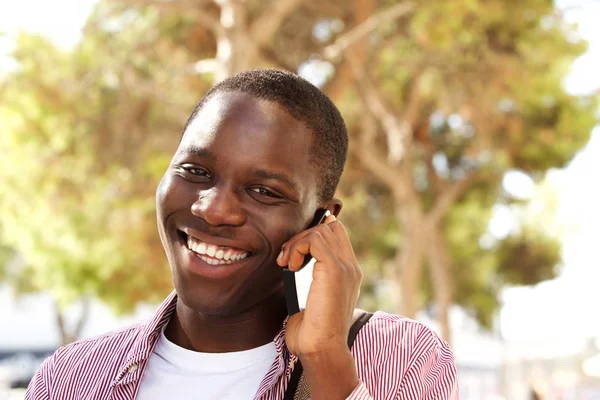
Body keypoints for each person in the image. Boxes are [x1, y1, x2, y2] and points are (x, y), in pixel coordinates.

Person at [25, 69, 458, 399]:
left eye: (264, 191)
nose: (214, 210)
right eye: (195, 171)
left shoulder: (402, 358)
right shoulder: (70, 377)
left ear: (321, 221)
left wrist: (326, 360)